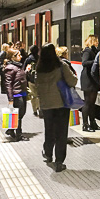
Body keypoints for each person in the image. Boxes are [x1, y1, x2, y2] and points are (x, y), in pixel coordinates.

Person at [35, 43, 77, 172]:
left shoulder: (39, 68)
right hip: (61, 104)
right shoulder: (61, 65)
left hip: (46, 105)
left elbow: (37, 87)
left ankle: (48, 153)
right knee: (61, 133)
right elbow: (73, 81)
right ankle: (59, 161)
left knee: (49, 130)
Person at [4, 48, 29, 141]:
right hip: (16, 94)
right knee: (18, 115)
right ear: (13, 57)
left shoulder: (18, 66)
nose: (21, 56)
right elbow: (8, 84)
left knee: (20, 114)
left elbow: (20, 78)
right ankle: (18, 134)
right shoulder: (10, 68)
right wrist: (10, 98)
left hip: (22, 92)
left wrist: (26, 71)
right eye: (19, 55)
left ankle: (11, 130)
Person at [80, 35, 100, 132]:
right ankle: (85, 124)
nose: (98, 43)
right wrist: (95, 61)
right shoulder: (87, 51)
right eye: (96, 41)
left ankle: (93, 122)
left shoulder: (94, 51)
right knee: (87, 102)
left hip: (92, 79)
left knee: (92, 103)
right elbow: (84, 63)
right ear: (92, 41)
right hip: (88, 79)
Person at [23, 45, 41, 117]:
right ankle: (39, 108)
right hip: (39, 80)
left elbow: (24, 69)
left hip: (31, 79)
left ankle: (34, 110)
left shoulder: (28, 59)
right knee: (39, 95)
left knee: (33, 95)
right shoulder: (40, 59)